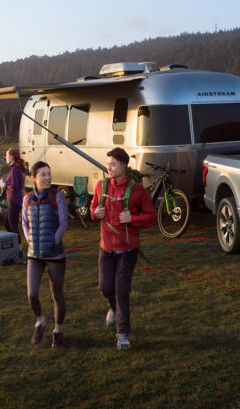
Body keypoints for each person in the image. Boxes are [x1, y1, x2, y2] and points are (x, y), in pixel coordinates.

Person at [90, 147, 157, 351]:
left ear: (124, 166)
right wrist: (96, 213)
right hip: (106, 248)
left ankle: (122, 333)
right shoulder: (101, 186)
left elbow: (152, 217)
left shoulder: (137, 190)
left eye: (113, 164)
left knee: (121, 290)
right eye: (108, 163)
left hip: (128, 250)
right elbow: (93, 211)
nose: (108, 167)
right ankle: (112, 307)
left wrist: (133, 219)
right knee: (105, 287)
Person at [21, 161, 68, 348]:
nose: (47, 177)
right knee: (32, 294)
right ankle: (40, 321)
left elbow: (63, 223)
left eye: (49, 173)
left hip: (55, 255)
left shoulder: (58, 197)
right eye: (43, 174)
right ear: (34, 177)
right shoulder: (27, 199)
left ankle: (57, 331)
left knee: (56, 293)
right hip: (34, 255)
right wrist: (29, 239)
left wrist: (55, 241)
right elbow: (24, 223)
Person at [1, 147, 27, 251]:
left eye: (7, 155)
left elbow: (15, 186)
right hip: (16, 199)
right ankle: (14, 244)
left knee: (13, 225)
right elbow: (15, 183)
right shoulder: (18, 168)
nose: (6, 157)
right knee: (6, 223)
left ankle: (18, 249)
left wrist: (4, 185)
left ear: (12, 157)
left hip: (14, 200)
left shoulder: (15, 169)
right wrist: (7, 182)